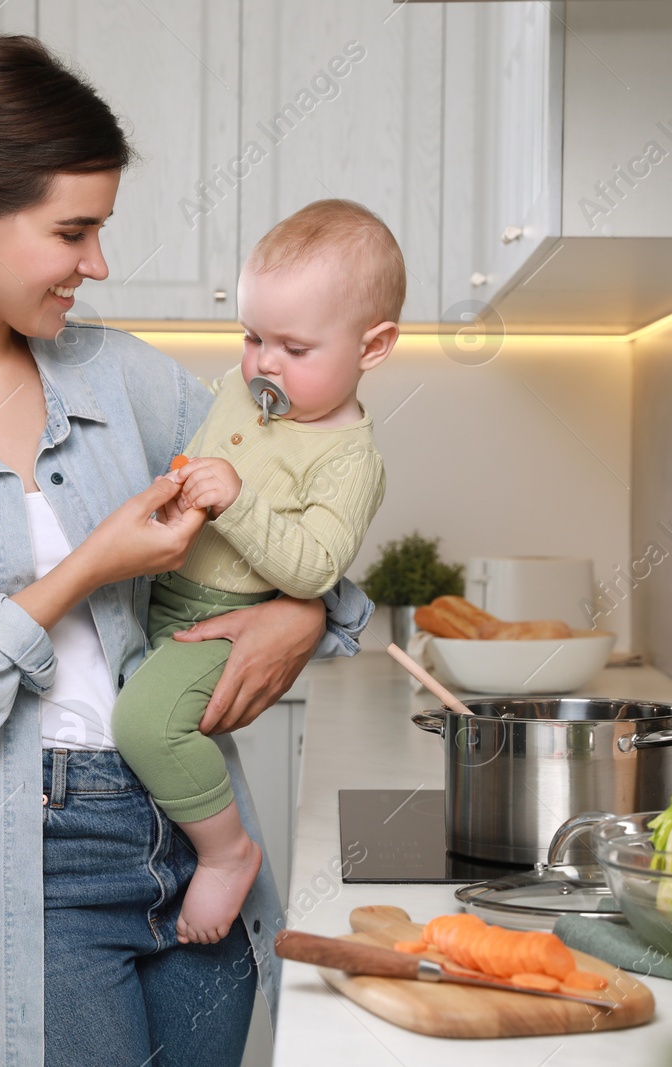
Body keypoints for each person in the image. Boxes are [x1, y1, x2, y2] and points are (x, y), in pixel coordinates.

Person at [0, 35, 374, 1067]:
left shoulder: (117, 380)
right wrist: (81, 571)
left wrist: (302, 613)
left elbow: (296, 506)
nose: (98, 263)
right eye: (74, 230)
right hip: (17, 869)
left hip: (188, 836)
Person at [111, 199, 399, 945]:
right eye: (251, 336)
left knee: (143, 722)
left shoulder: (350, 460)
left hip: (218, 620)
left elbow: (314, 568)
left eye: (294, 348)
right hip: (161, 590)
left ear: (375, 346)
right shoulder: (240, 392)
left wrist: (233, 499)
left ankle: (226, 852)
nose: (263, 363)